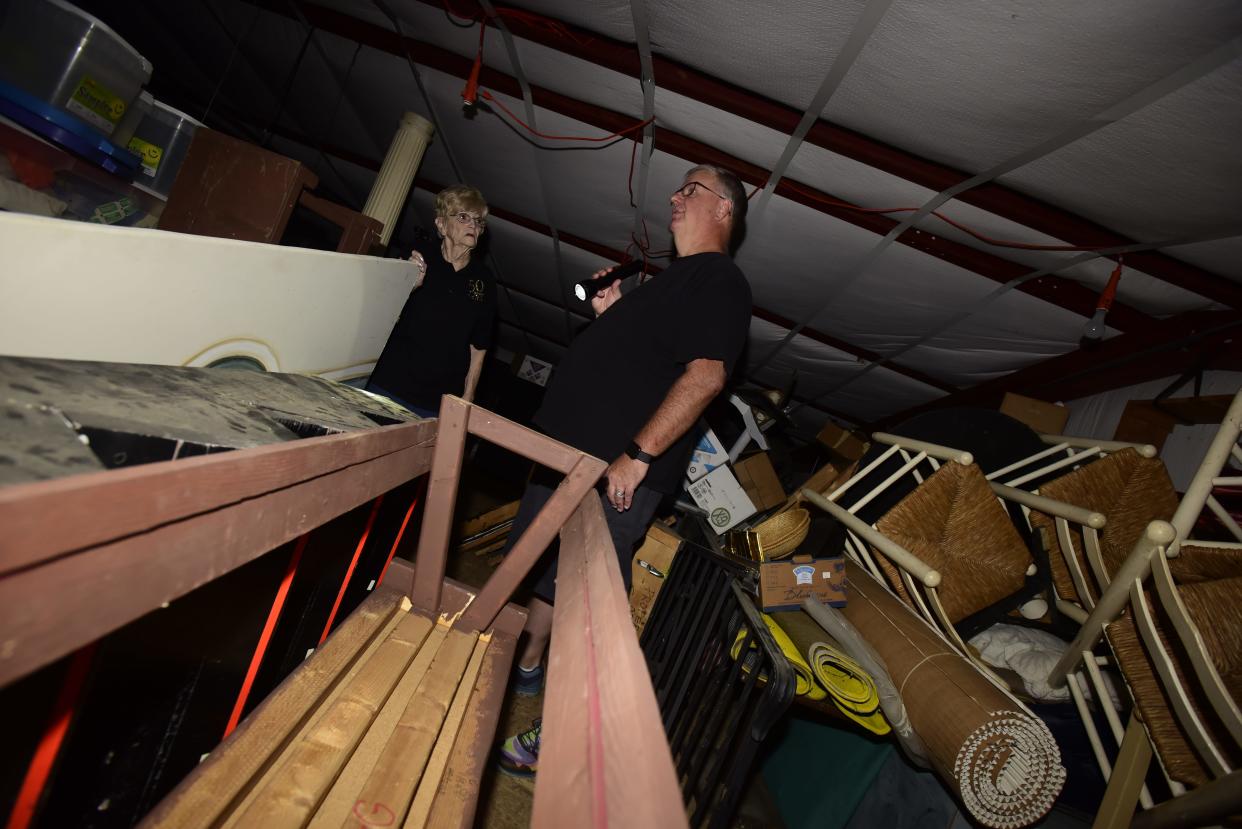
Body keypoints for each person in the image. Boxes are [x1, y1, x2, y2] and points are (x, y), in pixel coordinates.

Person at [498, 164, 752, 777]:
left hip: (610, 475)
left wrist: (639, 455)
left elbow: (706, 375)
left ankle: (567, 739)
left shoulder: (721, 279)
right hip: (569, 463)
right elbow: (642, 367)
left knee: (588, 611)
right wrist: (613, 314)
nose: (674, 195)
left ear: (724, 210)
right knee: (542, 575)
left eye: (690, 189)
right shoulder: (672, 282)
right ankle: (523, 666)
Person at [367, 185, 496, 418]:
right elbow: (377, 311)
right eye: (464, 217)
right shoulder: (417, 256)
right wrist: (408, 285)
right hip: (389, 385)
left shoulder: (484, 280)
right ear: (441, 224)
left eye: (478, 221)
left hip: (435, 402)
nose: (473, 226)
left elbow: (478, 347)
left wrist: (468, 398)